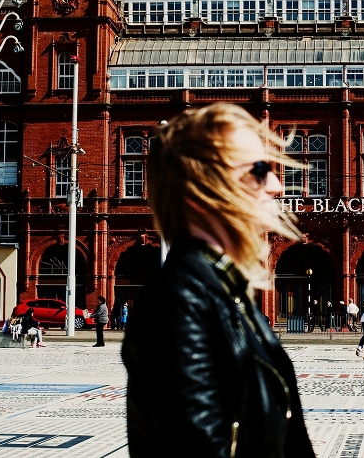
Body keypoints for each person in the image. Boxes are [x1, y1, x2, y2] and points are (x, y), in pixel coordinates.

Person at [122, 102, 313, 458]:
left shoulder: (227, 290)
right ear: (201, 191)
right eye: (258, 170)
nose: (276, 185)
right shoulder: (179, 301)